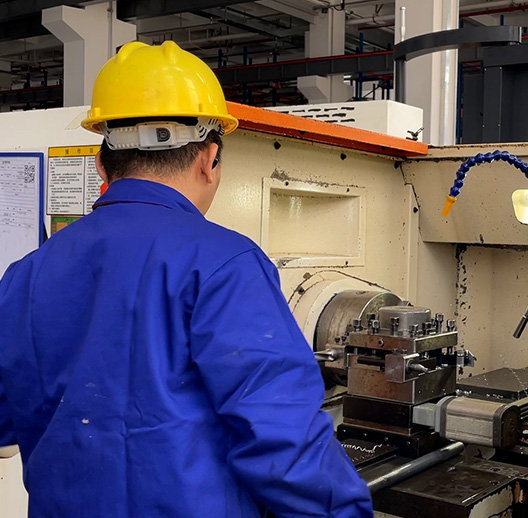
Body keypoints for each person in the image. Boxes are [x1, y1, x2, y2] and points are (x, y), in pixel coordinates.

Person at [0, 41, 372, 518]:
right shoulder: (226, 264)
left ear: (100, 164)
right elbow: (284, 441)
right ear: (209, 159)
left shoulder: (25, 275)